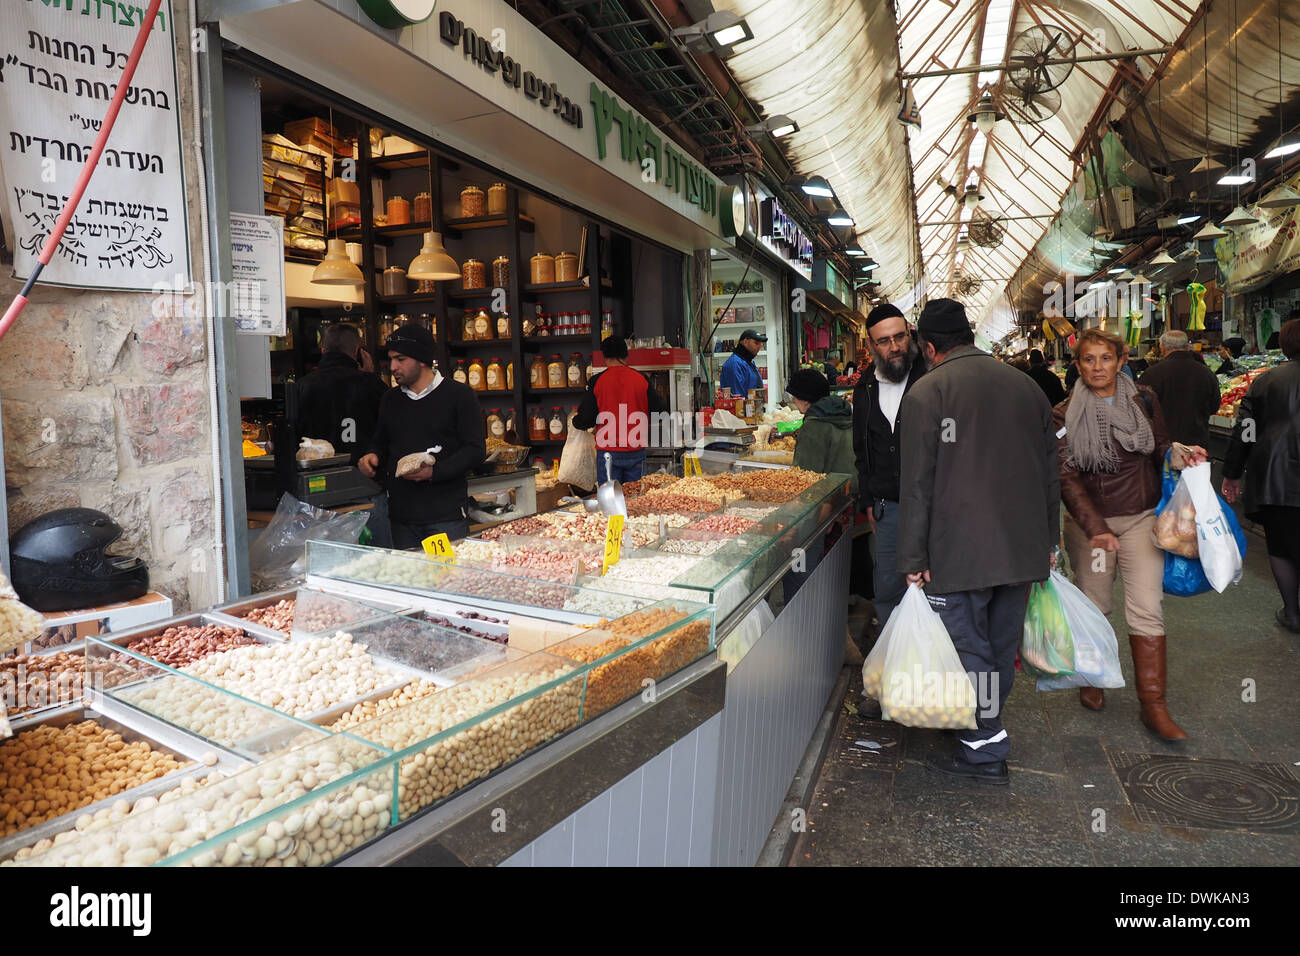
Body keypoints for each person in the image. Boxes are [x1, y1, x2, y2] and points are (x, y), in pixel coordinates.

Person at [898, 299, 1060, 786]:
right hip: (1020, 549)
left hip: (958, 551)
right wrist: (1049, 542)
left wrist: (911, 556)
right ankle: (982, 728)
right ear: (969, 335)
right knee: (997, 646)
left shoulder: (928, 393)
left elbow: (917, 485)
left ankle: (984, 747)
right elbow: (1050, 472)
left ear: (928, 347)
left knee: (971, 649)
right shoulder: (1028, 388)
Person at [1057, 327, 1206, 739]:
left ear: (1121, 360)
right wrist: (1096, 529)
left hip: (1141, 519)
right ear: (1078, 365)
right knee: (1096, 605)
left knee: (1146, 608)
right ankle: (1092, 677)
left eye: (1106, 358)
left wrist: (1181, 453)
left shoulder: (1144, 400)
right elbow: (1067, 479)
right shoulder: (1063, 414)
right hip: (1093, 529)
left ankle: (1153, 705)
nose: (1097, 367)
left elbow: (1158, 446)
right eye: (1089, 359)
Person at [358, 324, 485, 549]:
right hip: (401, 518)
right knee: (410, 580)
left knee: (447, 580)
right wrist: (371, 455)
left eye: (400, 359)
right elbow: (381, 441)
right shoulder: (390, 399)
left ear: (422, 360)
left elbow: (475, 450)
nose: (393, 366)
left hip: (445, 517)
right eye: (391, 359)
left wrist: (433, 473)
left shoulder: (459, 395)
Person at [1223, 319, 1300, 633]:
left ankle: (1292, 614)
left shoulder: (1265, 381)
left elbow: (1247, 430)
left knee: (1281, 547)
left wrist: (1232, 473)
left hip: (1276, 478)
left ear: (1283, 345)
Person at [852, 303, 926, 628]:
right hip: (887, 509)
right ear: (871, 346)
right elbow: (861, 448)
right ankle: (894, 661)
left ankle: (934, 665)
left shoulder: (930, 376)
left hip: (932, 504)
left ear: (910, 334)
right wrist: (868, 499)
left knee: (932, 585)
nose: (894, 346)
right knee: (888, 588)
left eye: (900, 337)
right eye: (884, 341)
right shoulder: (865, 389)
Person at [573, 336, 666, 485]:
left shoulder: (597, 381)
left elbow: (586, 419)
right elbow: (660, 411)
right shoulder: (641, 379)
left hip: (608, 454)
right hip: (636, 451)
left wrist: (576, 421)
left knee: (610, 501)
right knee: (636, 501)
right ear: (626, 355)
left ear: (605, 357)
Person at [295, 323, 387, 464]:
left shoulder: (301, 386)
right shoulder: (371, 385)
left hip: (313, 472)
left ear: (323, 350)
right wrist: (371, 376)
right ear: (357, 352)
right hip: (363, 472)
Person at [1137, 330, 1221, 448]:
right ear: (1187, 347)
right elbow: (1214, 406)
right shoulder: (1206, 373)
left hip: (1163, 447)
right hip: (1198, 445)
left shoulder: (1151, 374)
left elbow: (1140, 411)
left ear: (1162, 348)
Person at [788, 369, 856, 489]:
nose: (793, 400)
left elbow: (803, 477)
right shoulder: (846, 416)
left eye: (795, 396)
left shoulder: (813, 426)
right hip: (850, 493)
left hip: (828, 498)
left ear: (806, 399)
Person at [718, 329, 765, 398]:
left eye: (761, 344)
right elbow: (736, 399)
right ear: (745, 342)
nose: (760, 346)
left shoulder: (749, 362)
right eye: (756, 343)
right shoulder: (734, 364)